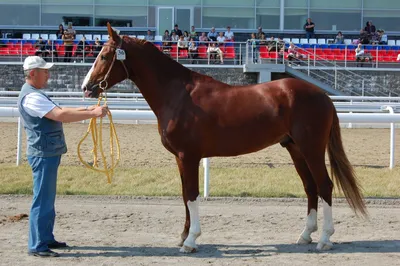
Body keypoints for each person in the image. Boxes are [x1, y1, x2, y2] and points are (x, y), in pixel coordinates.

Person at [18, 56, 108, 258]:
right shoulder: (32, 97)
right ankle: (38, 244)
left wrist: (90, 110)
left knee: (47, 199)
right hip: (43, 154)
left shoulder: (36, 94)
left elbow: (61, 112)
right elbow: (60, 115)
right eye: (44, 71)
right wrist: (92, 113)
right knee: (42, 199)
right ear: (33, 73)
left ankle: (45, 238)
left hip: (47, 152)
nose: (48, 74)